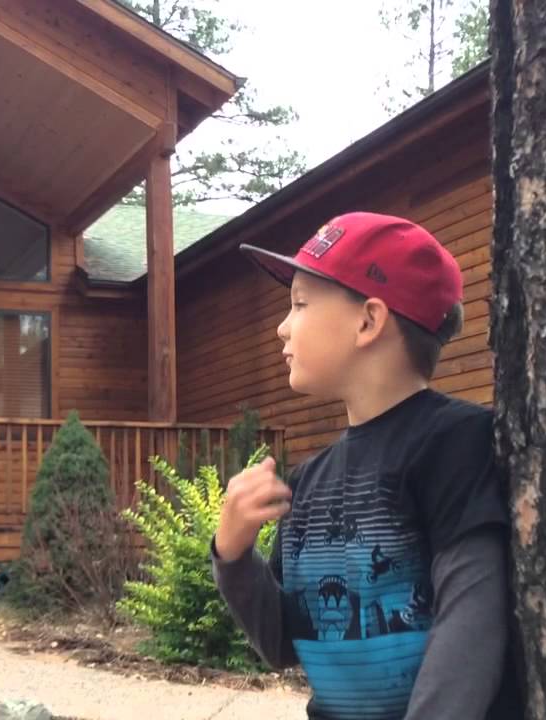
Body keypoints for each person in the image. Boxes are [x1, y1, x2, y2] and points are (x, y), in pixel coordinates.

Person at [211, 212, 521, 719]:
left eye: (300, 304)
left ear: (368, 321)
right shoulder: (307, 480)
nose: (282, 327)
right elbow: (284, 642)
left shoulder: (456, 443)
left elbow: (472, 622)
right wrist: (232, 552)